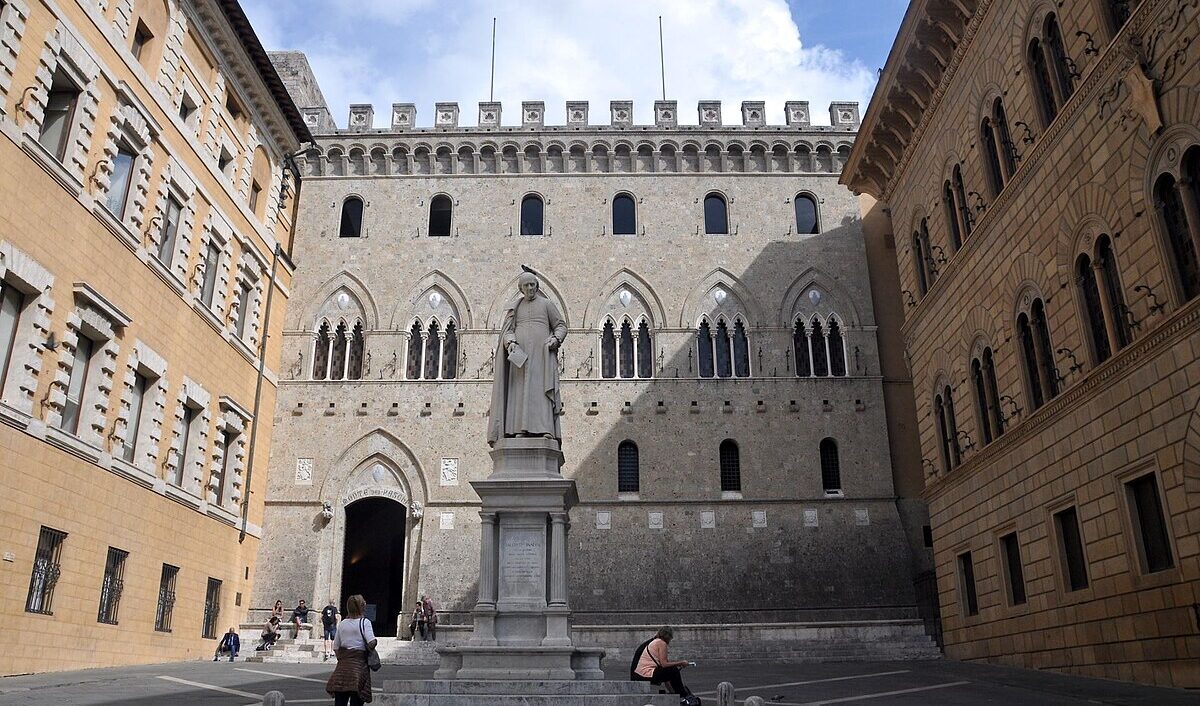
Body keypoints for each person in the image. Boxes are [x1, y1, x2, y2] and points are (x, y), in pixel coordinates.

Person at [487, 268, 567, 446]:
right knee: (519, 393)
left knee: (541, 391)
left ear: (537, 286)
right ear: (521, 288)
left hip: (542, 356)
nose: (530, 288)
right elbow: (508, 331)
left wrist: (555, 339)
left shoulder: (547, 305)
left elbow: (561, 325)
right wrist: (511, 343)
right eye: (526, 285)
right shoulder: (515, 308)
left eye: (532, 285)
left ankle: (545, 429)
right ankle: (518, 430)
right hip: (520, 360)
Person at [326, 593, 376, 706]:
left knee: (340, 701)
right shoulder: (365, 623)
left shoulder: (343, 623)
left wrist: (344, 658)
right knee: (357, 701)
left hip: (342, 669)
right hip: (358, 668)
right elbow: (371, 642)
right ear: (361, 607)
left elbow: (336, 647)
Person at [631, 626, 698, 704]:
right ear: (668, 636)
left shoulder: (655, 642)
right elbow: (664, 664)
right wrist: (681, 662)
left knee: (671, 670)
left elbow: (664, 668)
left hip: (640, 675)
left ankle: (679, 695)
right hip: (645, 674)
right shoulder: (661, 643)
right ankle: (684, 696)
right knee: (673, 670)